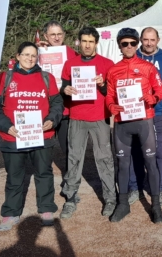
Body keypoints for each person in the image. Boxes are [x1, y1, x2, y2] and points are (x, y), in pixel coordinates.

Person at [0, 41, 64, 231]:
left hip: (42, 135)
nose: (30, 59)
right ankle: (11, 213)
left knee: (44, 173)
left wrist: (51, 120)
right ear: (18, 56)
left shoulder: (47, 78)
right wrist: (7, 126)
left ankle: (47, 209)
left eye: (33, 55)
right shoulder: (4, 78)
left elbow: (57, 104)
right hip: (13, 138)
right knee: (14, 177)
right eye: (26, 55)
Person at [105, 28, 162, 223]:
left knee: (151, 162)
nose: (129, 47)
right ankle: (123, 204)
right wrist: (111, 106)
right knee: (123, 164)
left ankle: (156, 206)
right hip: (123, 123)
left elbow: (161, 88)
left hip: (144, 121)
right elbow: (108, 95)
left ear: (137, 44)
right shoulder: (113, 70)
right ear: (120, 46)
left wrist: (153, 97)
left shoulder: (148, 67)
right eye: (125, 44)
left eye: (133, 43)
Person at [59, 27, 116, 219]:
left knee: (104, 158)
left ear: (96, 43)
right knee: (74, 158)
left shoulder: (107, 64)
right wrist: (64, 90)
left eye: (91, 41)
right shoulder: (70, 64)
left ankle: (110, 198)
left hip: (99, 117)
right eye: (84, 41)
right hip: (76, 117)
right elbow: (64, 86)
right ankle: (70, 197)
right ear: (78, 42)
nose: (87, 45)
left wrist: (103, 85)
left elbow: (112, 92)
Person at [127, 27, 162, 207]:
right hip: (137, 113)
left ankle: (160, 188)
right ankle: (135, 186)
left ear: (158, 40)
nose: (148, 43)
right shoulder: (132, 58)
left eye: (152, 40)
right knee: (136, 151)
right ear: (140, 40)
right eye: (145, 39)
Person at [37, 20, 78, 167]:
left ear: (64, 35)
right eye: (52, 34)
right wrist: (36, 52)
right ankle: (43, 178)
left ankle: (70, 179)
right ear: (45, 36)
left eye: (59, 34)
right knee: (42, 148)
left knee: (68, 146)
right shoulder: (37, 52)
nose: (56, 37)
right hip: (44, 108)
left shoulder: (72, 53)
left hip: (65, 108)